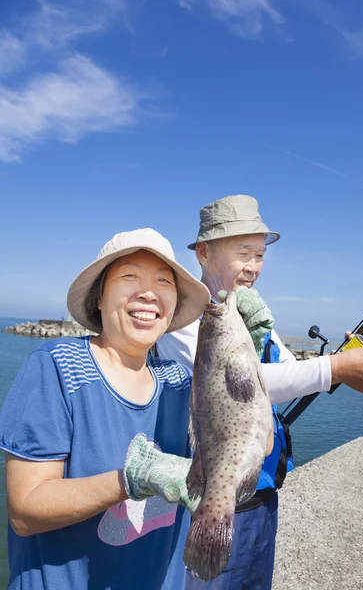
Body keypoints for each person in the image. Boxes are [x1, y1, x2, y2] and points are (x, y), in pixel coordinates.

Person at [155, 194, 363, 590]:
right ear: (203, 252)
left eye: (260, 255)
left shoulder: (251, 314)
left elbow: (287, 373)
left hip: (262, 495)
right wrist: (334, 369)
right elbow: (240, 384)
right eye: (243, 253)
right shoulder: (187, 318)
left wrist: (346, 362)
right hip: (209, 496)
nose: (253, 266)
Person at [0, 228, 211, 590]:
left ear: (175, 302)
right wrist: (129, 480)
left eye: (164, 281)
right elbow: (25, 509)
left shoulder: (179, 382)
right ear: (99, 297)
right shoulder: (58, 367)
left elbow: (254, 447)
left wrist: (241, 362)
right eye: (130, 276)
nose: (148, 292)